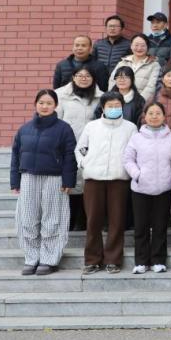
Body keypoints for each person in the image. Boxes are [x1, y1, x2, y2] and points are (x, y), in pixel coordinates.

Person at [10, 90, 77, 276]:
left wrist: (69, 180)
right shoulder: (24, 129)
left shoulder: (64, 129)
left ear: (55, 105)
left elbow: (70, 156)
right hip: (28, 177)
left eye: (49, 103)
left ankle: (49, 259)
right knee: (28, 219)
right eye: (41, 102)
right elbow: (15, 155)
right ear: (35, 104)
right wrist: (15, 180)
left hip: (54, 178)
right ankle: (31, 258)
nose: (45, 106)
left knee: (52, 219)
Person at [76, 92, 138, 274]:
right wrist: (84, 163)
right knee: (93, 221)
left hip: (119, 179)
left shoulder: (130, 128)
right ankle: (92, 260)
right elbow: (80, 149)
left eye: (117, 105)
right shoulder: (92, 126)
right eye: (110, 106)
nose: (113, 109)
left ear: (122, 106)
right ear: (103, 107)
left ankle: (113, 259)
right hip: (93, 179)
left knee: (116, 221)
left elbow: (134, 151)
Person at [122, 101, 171, 274]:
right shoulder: (137, 137)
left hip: (164, 188)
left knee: (160, 226)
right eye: (150, 113)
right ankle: (141, 261)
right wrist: (137, 174)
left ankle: (158, 260)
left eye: (158, 113)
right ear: (145, 116)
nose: (154, 116)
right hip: (141, 188)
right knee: (141, 226)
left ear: (164, 116)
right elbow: (128, 159)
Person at [56, 66, 102, 231]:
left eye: (88, 75)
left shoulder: (100, 97)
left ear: (93, 78)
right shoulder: (61, 96)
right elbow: (57, 120)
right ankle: (69, 220)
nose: (84, 78)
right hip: (67, 146)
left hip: (90, 148)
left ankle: (83, 220)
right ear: (73, 77)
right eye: (80, 75)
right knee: (70, 182)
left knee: (86, 183)